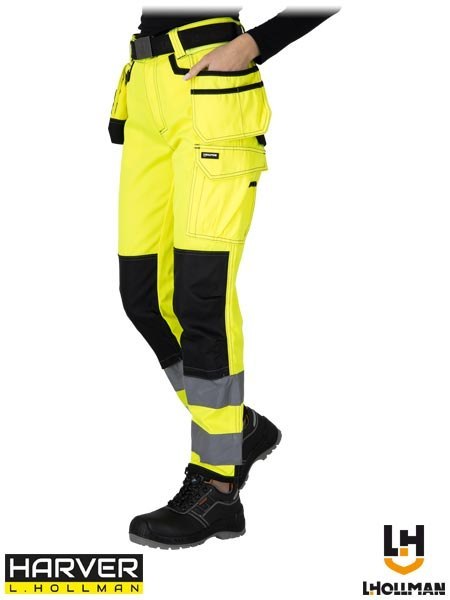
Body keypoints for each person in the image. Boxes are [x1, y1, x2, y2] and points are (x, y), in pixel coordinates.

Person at [108, 5, 340, 549]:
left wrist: (255, 43)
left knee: (200, 296)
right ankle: (240, 429)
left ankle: (217, 488)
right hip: (146, 87)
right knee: (144, 297)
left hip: (211, 83)